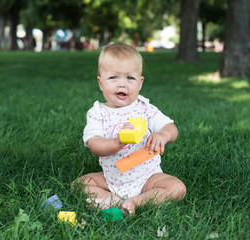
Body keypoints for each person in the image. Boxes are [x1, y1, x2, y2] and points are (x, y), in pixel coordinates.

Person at [71, 42, 186, 214]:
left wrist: (163, 135)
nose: (122, 84)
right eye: (113, 78)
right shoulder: (97, 113)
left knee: (177, 188)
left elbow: (171, 128)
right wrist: (117, 142)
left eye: (130, 78)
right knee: (78, 185)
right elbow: (95, 145)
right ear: (100, 83)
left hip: (148, 177)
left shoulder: (145, 108)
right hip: (112, 178)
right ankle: (114, 200)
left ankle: (136, 201)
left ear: (140, 83)